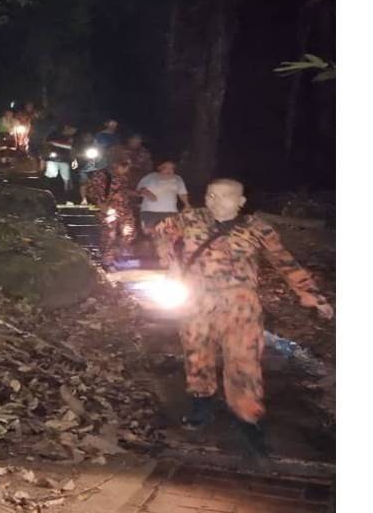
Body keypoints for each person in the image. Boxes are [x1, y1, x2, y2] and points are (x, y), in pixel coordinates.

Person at [153, 179, 334, 448]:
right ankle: (201, 404)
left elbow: (285, 262)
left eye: (224, 196)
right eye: (211, 195)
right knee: (197, 355)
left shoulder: (257, 228)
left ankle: (247, 415)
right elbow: (160, 232)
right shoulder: (191, 217)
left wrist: (312, 295)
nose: (215, 201)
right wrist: (171, 264)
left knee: (244, 360)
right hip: (197, 303)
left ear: (241, 202)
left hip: (241, 306)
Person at [95, 159, 137, 267]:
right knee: (109, 235)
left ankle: (120, 255)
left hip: (124, 209)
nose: (127, 169)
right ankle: (107, 261)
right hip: (110, 210)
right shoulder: (104, 175)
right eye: (125, 166)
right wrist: (103, 206)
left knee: (129, 232)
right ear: (116, 164)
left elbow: (123, 191)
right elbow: (97, 192)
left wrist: (137, 193)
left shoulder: (123, 177)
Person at [136, 160, 191, 233]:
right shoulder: (151, 176)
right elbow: (139, 190)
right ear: (160, 168)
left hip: (171, 212)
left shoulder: (178, 178)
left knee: (171, 234)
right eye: (166, 168)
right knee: (151, 235)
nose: (169, 170)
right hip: (150, 212)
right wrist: (146, 192)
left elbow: (182, 193)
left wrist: (187, 204)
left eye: (172, 168)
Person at [43, 123, 78, 198]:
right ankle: (48, 193)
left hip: (65, 160)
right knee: (51, 176)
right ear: (67, 127)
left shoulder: (73, 137)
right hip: (53, 159)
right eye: (73, 129)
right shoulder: (54, 134)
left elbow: (71, 147)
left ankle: (67, 195)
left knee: (66, 178)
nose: (74, 131)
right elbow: (47, 143)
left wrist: (74, 159)